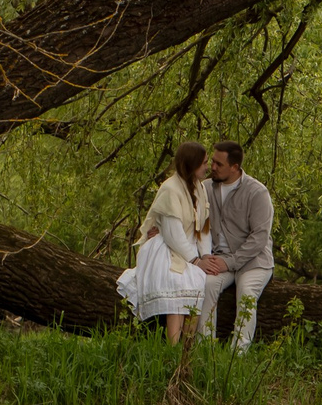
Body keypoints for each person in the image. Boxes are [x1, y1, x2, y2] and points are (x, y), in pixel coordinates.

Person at [116, 142, 212, 342]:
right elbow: (172, 233)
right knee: (176, 282)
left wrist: (206, 256)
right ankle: (173, 346)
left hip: (188, 247)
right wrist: (195, 260)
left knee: (198, 281)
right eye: (203, 163)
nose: (207, 167)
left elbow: (202, 228)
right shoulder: (170, 189)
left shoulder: (200, 187)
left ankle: (188, 346)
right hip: (166, 247)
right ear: (191, 164)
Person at [194, 139, 273, 350]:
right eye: (212, 162)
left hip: (253, 261)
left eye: (219, 164)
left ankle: (238, 354)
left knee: (246, 293)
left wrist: (230, 262)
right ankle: (205, 348)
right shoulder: (206, 188)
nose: (212, 167)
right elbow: (193, 222)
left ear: (235, 167)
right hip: (218, 258)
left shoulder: (257, 193)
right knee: (207, 285)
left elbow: (259, 238)